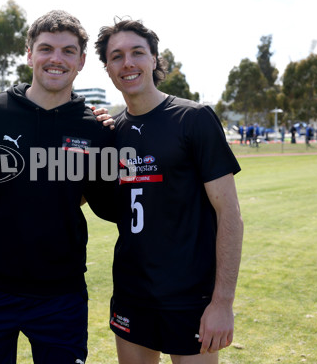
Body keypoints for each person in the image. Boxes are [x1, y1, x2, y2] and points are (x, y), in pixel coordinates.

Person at [0, 10, 115, 364]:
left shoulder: (97, 129)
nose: (56, 59)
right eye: (46, 48)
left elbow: (95, 195)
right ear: (29, 54)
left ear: (82, 61)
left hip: (63, 292)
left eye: (68, 51)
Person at [94, 18, 244, 363]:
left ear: (155, 60)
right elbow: (78, 193)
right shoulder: (112, 132)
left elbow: (230, 215)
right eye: (116, 56)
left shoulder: (194, 119)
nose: (127, 63)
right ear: (107, 68)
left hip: (190, 299)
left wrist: (222, 303)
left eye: (137, 53)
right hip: (131, 294)